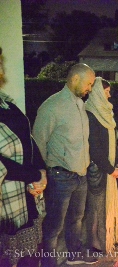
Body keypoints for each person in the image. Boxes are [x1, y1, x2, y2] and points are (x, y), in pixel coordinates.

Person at [33, 63, 97, 266]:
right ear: (75, 79)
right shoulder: (52, 106)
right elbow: (38, 141)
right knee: (54, 226)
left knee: (76, 219)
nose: (90, 88)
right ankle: (48, 263)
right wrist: (41, 173)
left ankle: (74, 255)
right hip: (60, 176)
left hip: (81, 175)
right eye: (89, 83)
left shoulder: (80, 104)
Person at [0, 46, 47, 267]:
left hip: (25, 198)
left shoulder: (6, 102)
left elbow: (27, 138)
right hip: (5, 205)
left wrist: (41, 170)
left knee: (30, 258)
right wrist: (33, 173)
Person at [84, 77, 118, 253]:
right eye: (106, 91)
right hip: (97, 170)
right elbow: (95, 147)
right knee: (96, 207)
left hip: (107, 167)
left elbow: (113, 143)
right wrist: (110, 169)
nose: (109, 95)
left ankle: (107, 237)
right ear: (99, 93)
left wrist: (117, 164)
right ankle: (96, 242)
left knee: (105, 205)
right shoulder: (91, 114)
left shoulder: (105, 113)